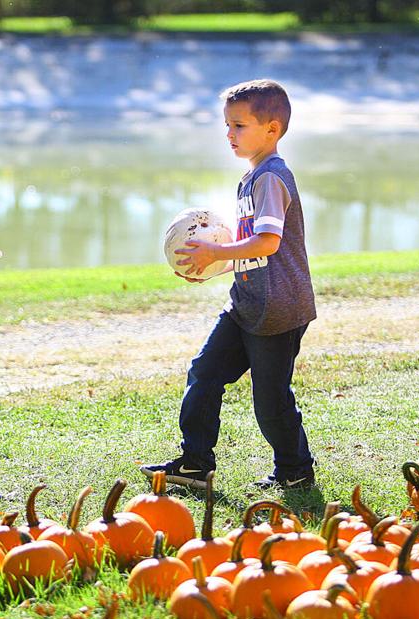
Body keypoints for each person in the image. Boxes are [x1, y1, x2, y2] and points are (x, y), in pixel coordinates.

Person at [142, 79, 316, 492]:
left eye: (239, 126)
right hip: (247, 301)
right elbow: (253, 252)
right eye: (227, 125)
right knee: (205, 373)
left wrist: (214, 253)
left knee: (270, 399)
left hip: (278, 308)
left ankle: (295, 470)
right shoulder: (251, 177)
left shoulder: (271, 178)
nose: (229, 134)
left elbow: (269, 242)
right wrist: (210, 267)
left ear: (271, 129)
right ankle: (196, 463)